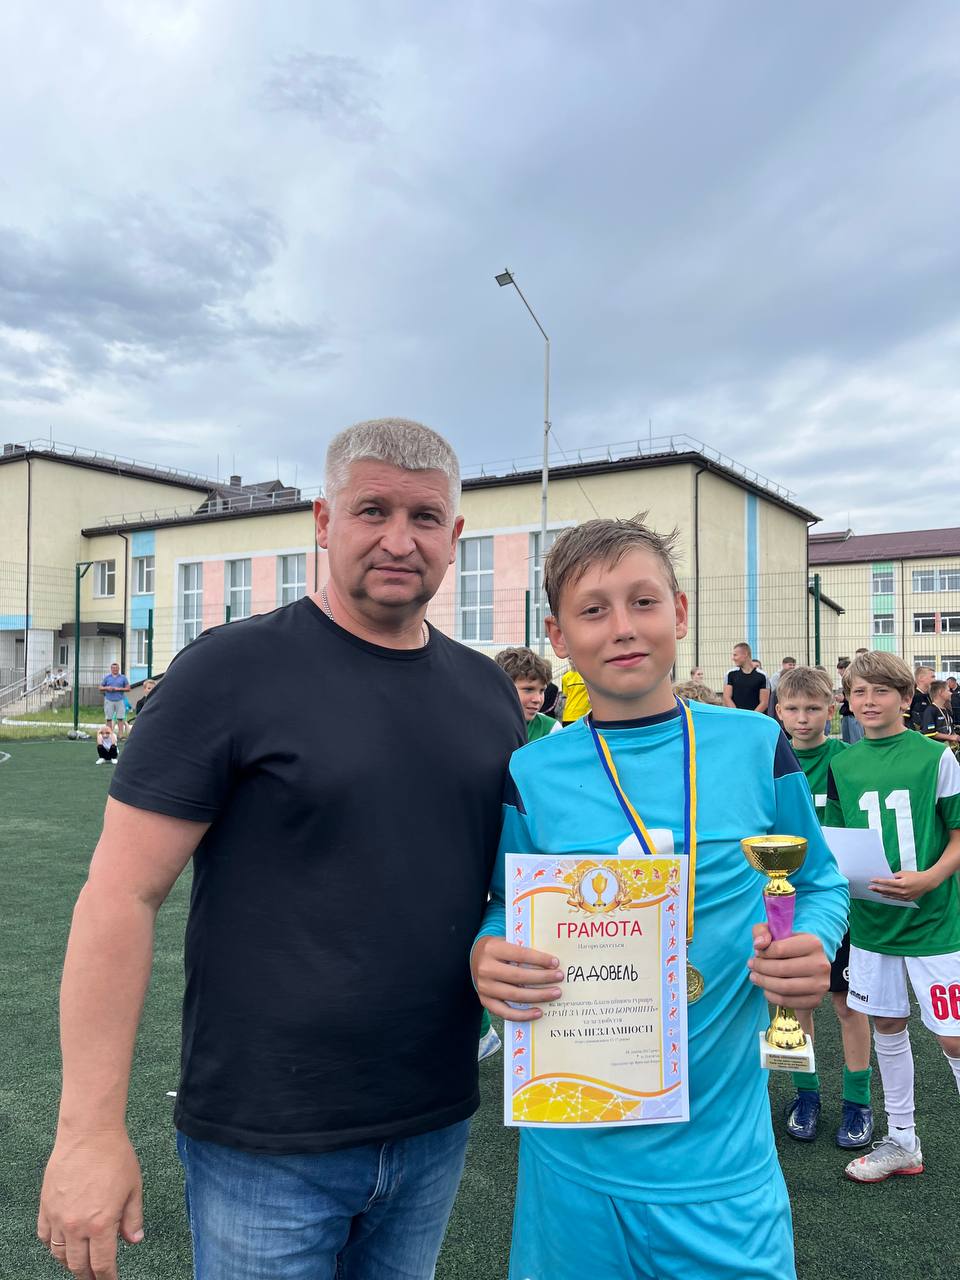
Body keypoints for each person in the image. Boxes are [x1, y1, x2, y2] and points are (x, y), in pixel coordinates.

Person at [38, 418, 525, 1280]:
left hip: (435, 1123)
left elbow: (497, 889)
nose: (398, 539)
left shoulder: (487, 693)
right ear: (323, 522)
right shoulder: (226, 672)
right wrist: (87, 1130)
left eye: (423, 517)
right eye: (372, 510)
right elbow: (119, 896)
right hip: (264, 1141)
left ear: (454, 535)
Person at [471, 516, 846, 1280]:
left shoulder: (755, 745)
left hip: (722, 1168)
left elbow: (816, 880)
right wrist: (487, 950)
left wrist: (813, 937)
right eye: (593, 609)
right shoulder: (531, 772)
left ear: (678, 612)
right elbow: (505, 902)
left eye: (643, 602)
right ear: (559, 635)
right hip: (570, 1165)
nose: (622, 627)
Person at [826, 652, 960, 1183]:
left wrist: (930, 877)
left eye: (881, 691)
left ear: (906, 698)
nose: (868, 702)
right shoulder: (843, 764)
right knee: (886, 1023)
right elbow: (839, 841)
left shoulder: (936, 757)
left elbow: (957, 834)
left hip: (936, 922)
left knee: (953, 1037)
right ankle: (903, 1140)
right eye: (859, 692)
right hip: (874, 924)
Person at [774, 666, 873, 1148]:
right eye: (793, 709)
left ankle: (858, 1101)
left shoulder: (847, 761)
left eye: (813, 708)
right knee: (796, 1003)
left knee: (848, 1003)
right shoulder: (770, 763)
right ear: (778, 712)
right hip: (786, 901)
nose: (803, 718)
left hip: (839, 901)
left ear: (832, 711)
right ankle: (806, 1094)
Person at [494, 647, 562, 743]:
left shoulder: (551, 730)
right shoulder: (481, 725)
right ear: (502, 688)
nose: (538, 699)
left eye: (542, 691)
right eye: (528, 689)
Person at [724, 642, 770, 712]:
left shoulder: (762, 676)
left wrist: (751, 716)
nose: (733, 658)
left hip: (754, 717)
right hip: (736, 716)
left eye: (735, 655)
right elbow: (727, 698)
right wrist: (738, 714)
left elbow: (764, 702)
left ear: (745, 654)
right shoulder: (730, 674)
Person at [921, 680, 959, 749]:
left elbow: (949, 729)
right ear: (940, 692)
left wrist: (954, 736)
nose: (951, 693)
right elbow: (929, 733)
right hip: (937, 749)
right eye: (948, 690)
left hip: (949, 748)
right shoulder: (930, 710)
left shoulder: (947, 710)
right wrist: (950, 737)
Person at [99, 662, 130, 738]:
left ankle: (120, 735)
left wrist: (118, 689)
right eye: (113, 668)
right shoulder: (107, 678)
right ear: (111, 669)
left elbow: (128, 688)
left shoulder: (123, 678)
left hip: (120, 700)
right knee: (109, 718)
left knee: (120, 718)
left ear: (118, 669)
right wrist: (107, 688)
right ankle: (109, 734)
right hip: (109, 700)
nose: (115, 669)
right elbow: (100, 687)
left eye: (116, 668)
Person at [836, 658, 863, 745]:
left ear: (845, 669)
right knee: (847, 741)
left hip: (853, 715)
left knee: (855, 740)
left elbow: (856, 698)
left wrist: (844, 699)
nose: (838, 672)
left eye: (840, 669)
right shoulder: (847, 681)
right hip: (847, 714)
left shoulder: (855, 681)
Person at [560, 660, 591, 724]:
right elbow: (565, 696)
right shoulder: (565, 677)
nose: (572, 660)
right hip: (568, 716)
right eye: (570, 658)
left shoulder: (588, 674)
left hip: (584, 716)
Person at [907, 665, 934, 731]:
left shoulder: (930, 697)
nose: (934, 680)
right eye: (932, 677)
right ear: (921, 678)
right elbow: (905, 719)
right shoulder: (912, 696)